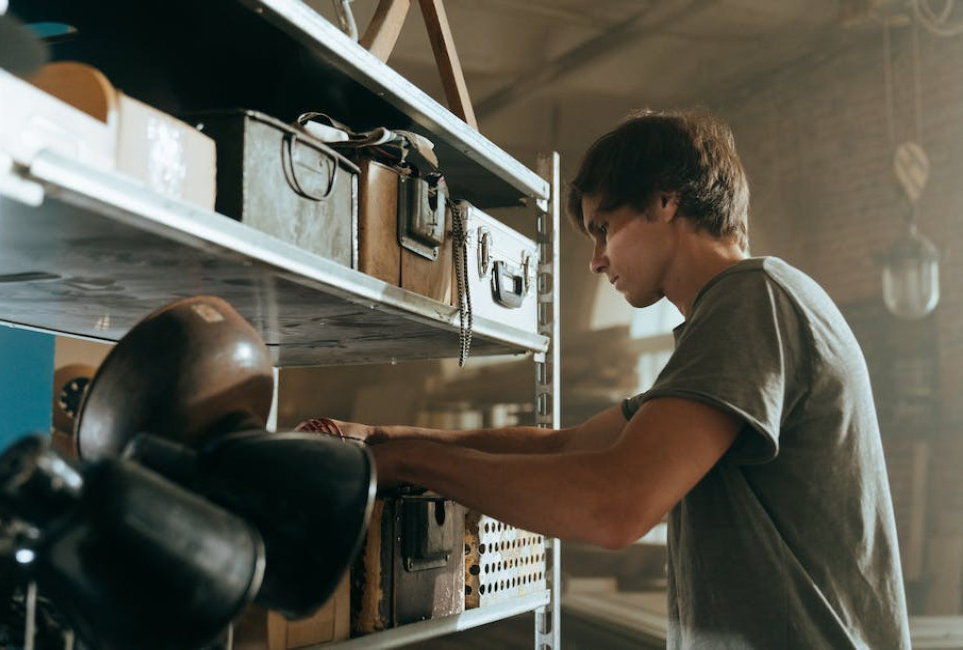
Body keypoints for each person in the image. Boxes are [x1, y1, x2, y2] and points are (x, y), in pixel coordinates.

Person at [299, 109, 911, 648]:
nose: (595, 260)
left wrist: (405, 463)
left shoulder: (753, 301)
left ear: (665, 199)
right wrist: (380, 436)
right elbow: (571, 446)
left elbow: (614, 505)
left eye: (602, 227)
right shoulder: (743, 314)